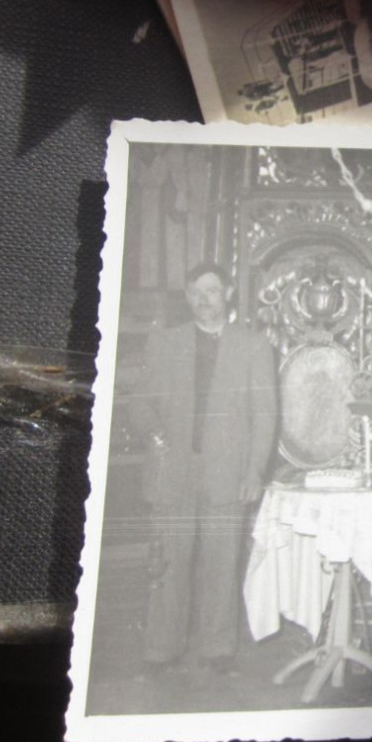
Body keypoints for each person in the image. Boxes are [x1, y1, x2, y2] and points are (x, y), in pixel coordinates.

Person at [129, 261, 278, 674]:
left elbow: (265, 416)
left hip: (228, 474)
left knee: (221, 562)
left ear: (228, 293)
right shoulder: (165, 342)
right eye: (195, 292)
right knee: (168, 562)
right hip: (173, 472)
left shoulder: (253, 346)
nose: (203, 299)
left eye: (211, 291)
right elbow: (139, 402)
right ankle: (162, 647)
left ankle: (217, 649)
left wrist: (254, 472)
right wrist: (152, 432)